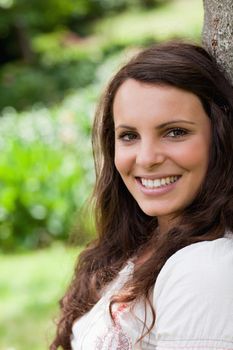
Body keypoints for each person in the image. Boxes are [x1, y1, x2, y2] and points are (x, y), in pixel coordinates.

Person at [50, 42, 233, 350]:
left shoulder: (205, 267)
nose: (146, 159)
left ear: (220, 137)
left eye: (175, 132)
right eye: (129, 136)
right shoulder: (139, 246)